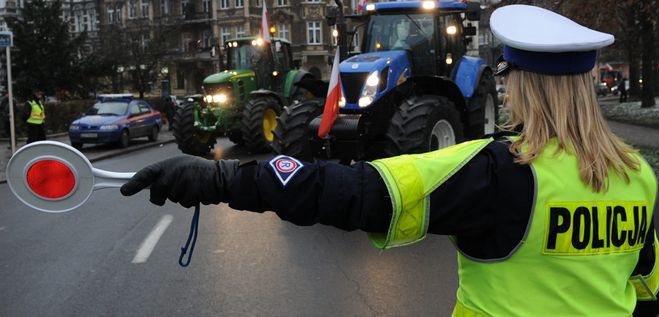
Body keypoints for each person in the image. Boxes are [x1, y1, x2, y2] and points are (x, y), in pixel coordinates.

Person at [121, 5, 658, 316]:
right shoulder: (638, 176)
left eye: (508, 80)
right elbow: (642, 283)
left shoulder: (498, 172)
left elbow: (350, 192)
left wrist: (221, 179)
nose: (505, 92)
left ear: (525, 87)